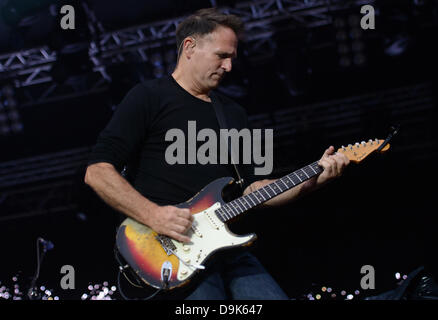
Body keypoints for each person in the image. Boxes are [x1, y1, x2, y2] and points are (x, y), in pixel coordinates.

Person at [84, 8, 350, 300]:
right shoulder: (148, 97)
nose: (229, 67)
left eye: (232, 58)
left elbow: (255, 188)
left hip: (224, 247)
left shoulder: (233, 113)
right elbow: (97, 172)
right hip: (168, 246)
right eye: (221, 56)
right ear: (190, 47)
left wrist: (314, 178)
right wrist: (155, 215)